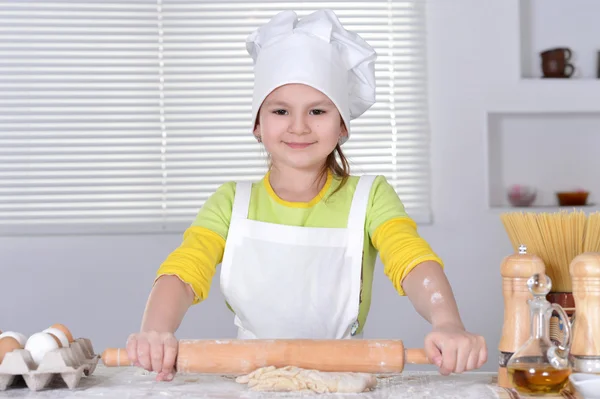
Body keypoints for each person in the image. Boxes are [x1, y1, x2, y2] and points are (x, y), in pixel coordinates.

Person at [125, 9, 487, 382]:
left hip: (343, 378)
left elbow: (410, 259)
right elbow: (185, 271)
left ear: (342, 124)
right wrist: (155, 330)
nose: (299, 126)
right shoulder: (232, 202)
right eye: (280, 110)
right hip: (247, 380)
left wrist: (448, 322)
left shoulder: (370, 197)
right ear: (257, 123)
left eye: (317, 110)